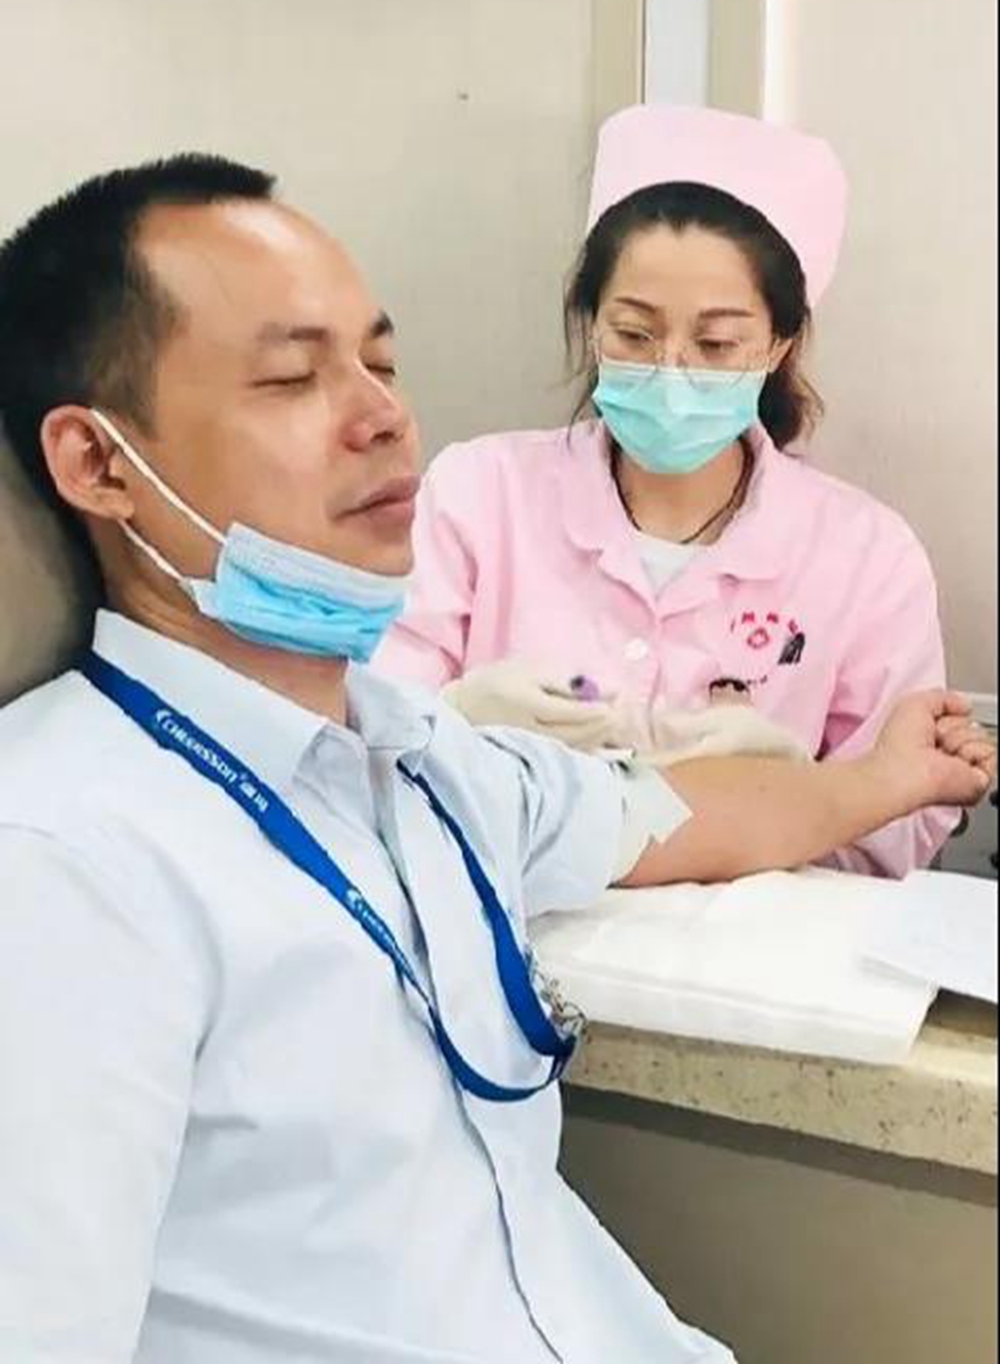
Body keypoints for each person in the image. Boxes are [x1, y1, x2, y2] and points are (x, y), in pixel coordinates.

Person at [0, 157, 992, 1364]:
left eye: (380, 362)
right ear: (100, 463)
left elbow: (668, 812)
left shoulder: (416, 757)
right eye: (292, 376)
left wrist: (878, 779)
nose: (383, 416)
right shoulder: (63, 864)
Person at [374, 104, 960, 876]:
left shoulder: (866, 555)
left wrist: (807, 793)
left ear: (778, 344)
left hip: (757, 946)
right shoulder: (476, 495)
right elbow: (361, 745)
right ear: (591, 325)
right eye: (634, 333)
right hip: (500, 921)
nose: (671, 369)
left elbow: (901, 831)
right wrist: (454, 719)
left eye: (716, 343)